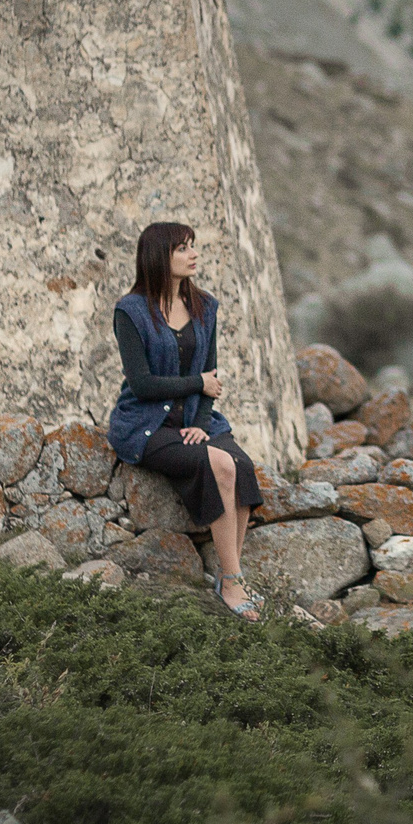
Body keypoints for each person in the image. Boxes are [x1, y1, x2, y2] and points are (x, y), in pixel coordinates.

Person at [107, 221, 265, 620]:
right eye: (183, 248)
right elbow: (142, 384)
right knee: (221, 464)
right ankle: (231, 582)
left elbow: (210, 376)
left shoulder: (205, 306)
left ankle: (230, 576)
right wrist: (197, 383)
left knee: (241, 467)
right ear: (159, 256)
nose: (193, 254)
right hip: (147, 425)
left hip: (197, 419)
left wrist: (202, 419)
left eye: (193, 246)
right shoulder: (131, 312)